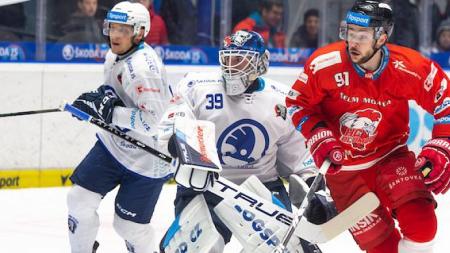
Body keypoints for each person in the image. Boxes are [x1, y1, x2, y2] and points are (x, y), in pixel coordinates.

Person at [286, 1, 450, 252]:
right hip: (343, 172)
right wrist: (318, 134)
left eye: (361, 36)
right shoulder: (325, 63)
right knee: (383, 248)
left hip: (390, 158)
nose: (353, 42)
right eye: (349, 33)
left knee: (422, 228)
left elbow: (445, 99)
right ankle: (332, 200)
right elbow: (297, 103)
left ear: (382, 37)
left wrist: (443, 144)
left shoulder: (408, 67)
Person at [157, 30, 336, 253]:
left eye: (240, 60)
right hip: (206, 186)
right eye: (228, 59)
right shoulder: (196, 86)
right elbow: (172, 123)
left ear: (260, 63)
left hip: (261, 188)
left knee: (289, 249)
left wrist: (313, 188)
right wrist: (177, 141)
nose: (232, 67)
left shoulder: (282, 100)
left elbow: (297, 159)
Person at [66, 1, 172, 252]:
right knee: (78, 200)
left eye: (123, 29)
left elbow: (154, 122)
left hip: (148, 158)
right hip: (114, 146)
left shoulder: (144, 69)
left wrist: (109, 112)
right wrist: (94, 104)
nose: (114, 35)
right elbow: (113, 97)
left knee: (128, 227)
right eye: (112, 27)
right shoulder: (114, 55)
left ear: (140, 32)